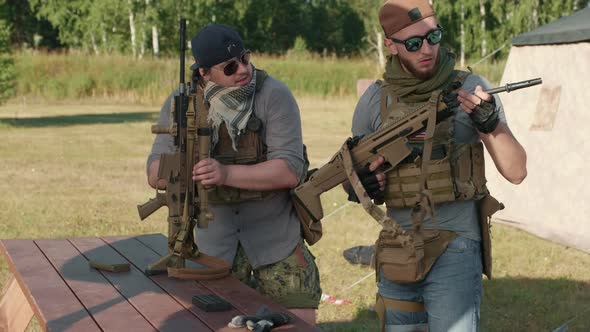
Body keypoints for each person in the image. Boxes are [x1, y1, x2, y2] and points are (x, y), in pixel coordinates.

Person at [349, 1, 527, 331]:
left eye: (434, 36)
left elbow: (516, 171)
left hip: (456, 248)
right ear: (390, 44)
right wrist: (362, 184)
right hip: (398, 248)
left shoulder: (471, 89)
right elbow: (355, 173)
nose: (428, 49)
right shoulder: (375, 101)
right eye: (414, 43)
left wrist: (491, 126)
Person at [146, 24, 321, 324]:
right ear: (204, 73)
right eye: (230, 67)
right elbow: (153, 172)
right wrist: (188, 169)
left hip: (275, 237)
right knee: (209, 323)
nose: (242, 69)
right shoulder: (183, 102)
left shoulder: (273, 95)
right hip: (212, 245)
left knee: (298, 323)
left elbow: (289, 170)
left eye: (245, 58)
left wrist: (224, 173)